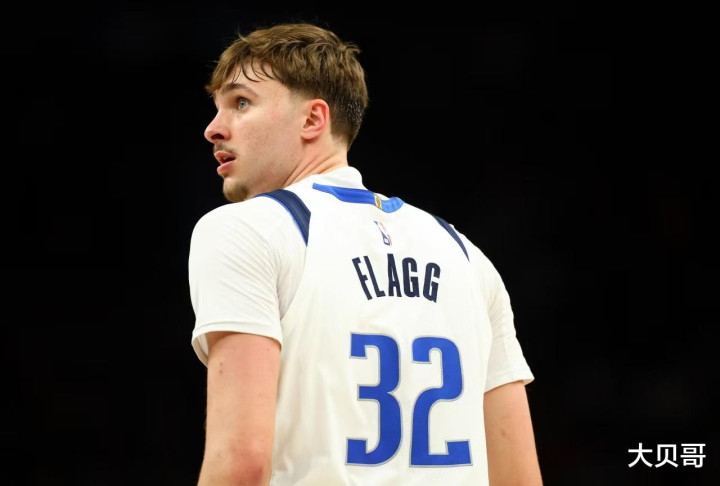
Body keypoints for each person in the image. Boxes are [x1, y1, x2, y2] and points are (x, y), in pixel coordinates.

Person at [188, 21, 542, 486]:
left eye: (241, 103)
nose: (213, 129)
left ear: (313, 120)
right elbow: (520, 477)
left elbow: (242, 462)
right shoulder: (466, 255)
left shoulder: (243, 230)